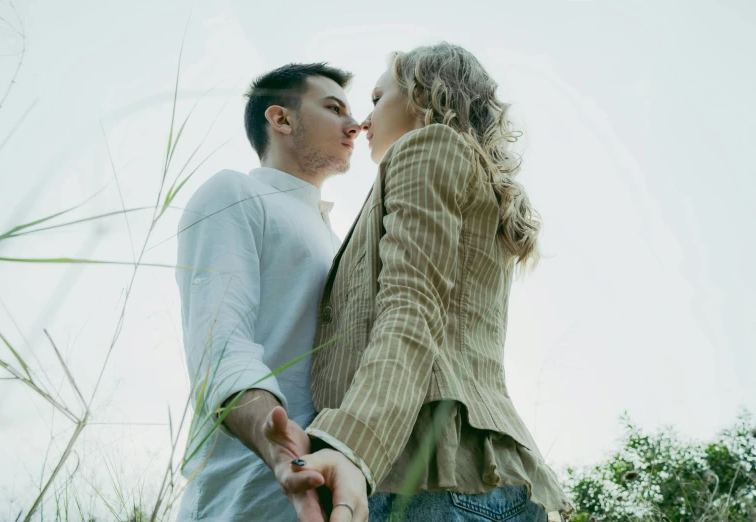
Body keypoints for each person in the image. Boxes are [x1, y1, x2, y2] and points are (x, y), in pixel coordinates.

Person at [279, 42, 576, 522]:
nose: (362, 121)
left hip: (426, 478)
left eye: (377, 99)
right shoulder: (463, 168)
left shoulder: (427, 146)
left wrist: (353, 445)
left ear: (422, 95)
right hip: (479, 481)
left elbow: (412, 306)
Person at [174, 62, 362, 521]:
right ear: (281, 120)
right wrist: (273, 439)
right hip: (245, 492)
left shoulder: (334, 238)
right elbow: (221, 343)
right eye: (333, 108)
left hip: (331, 492)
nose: (354, 125)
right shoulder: (234, 192)